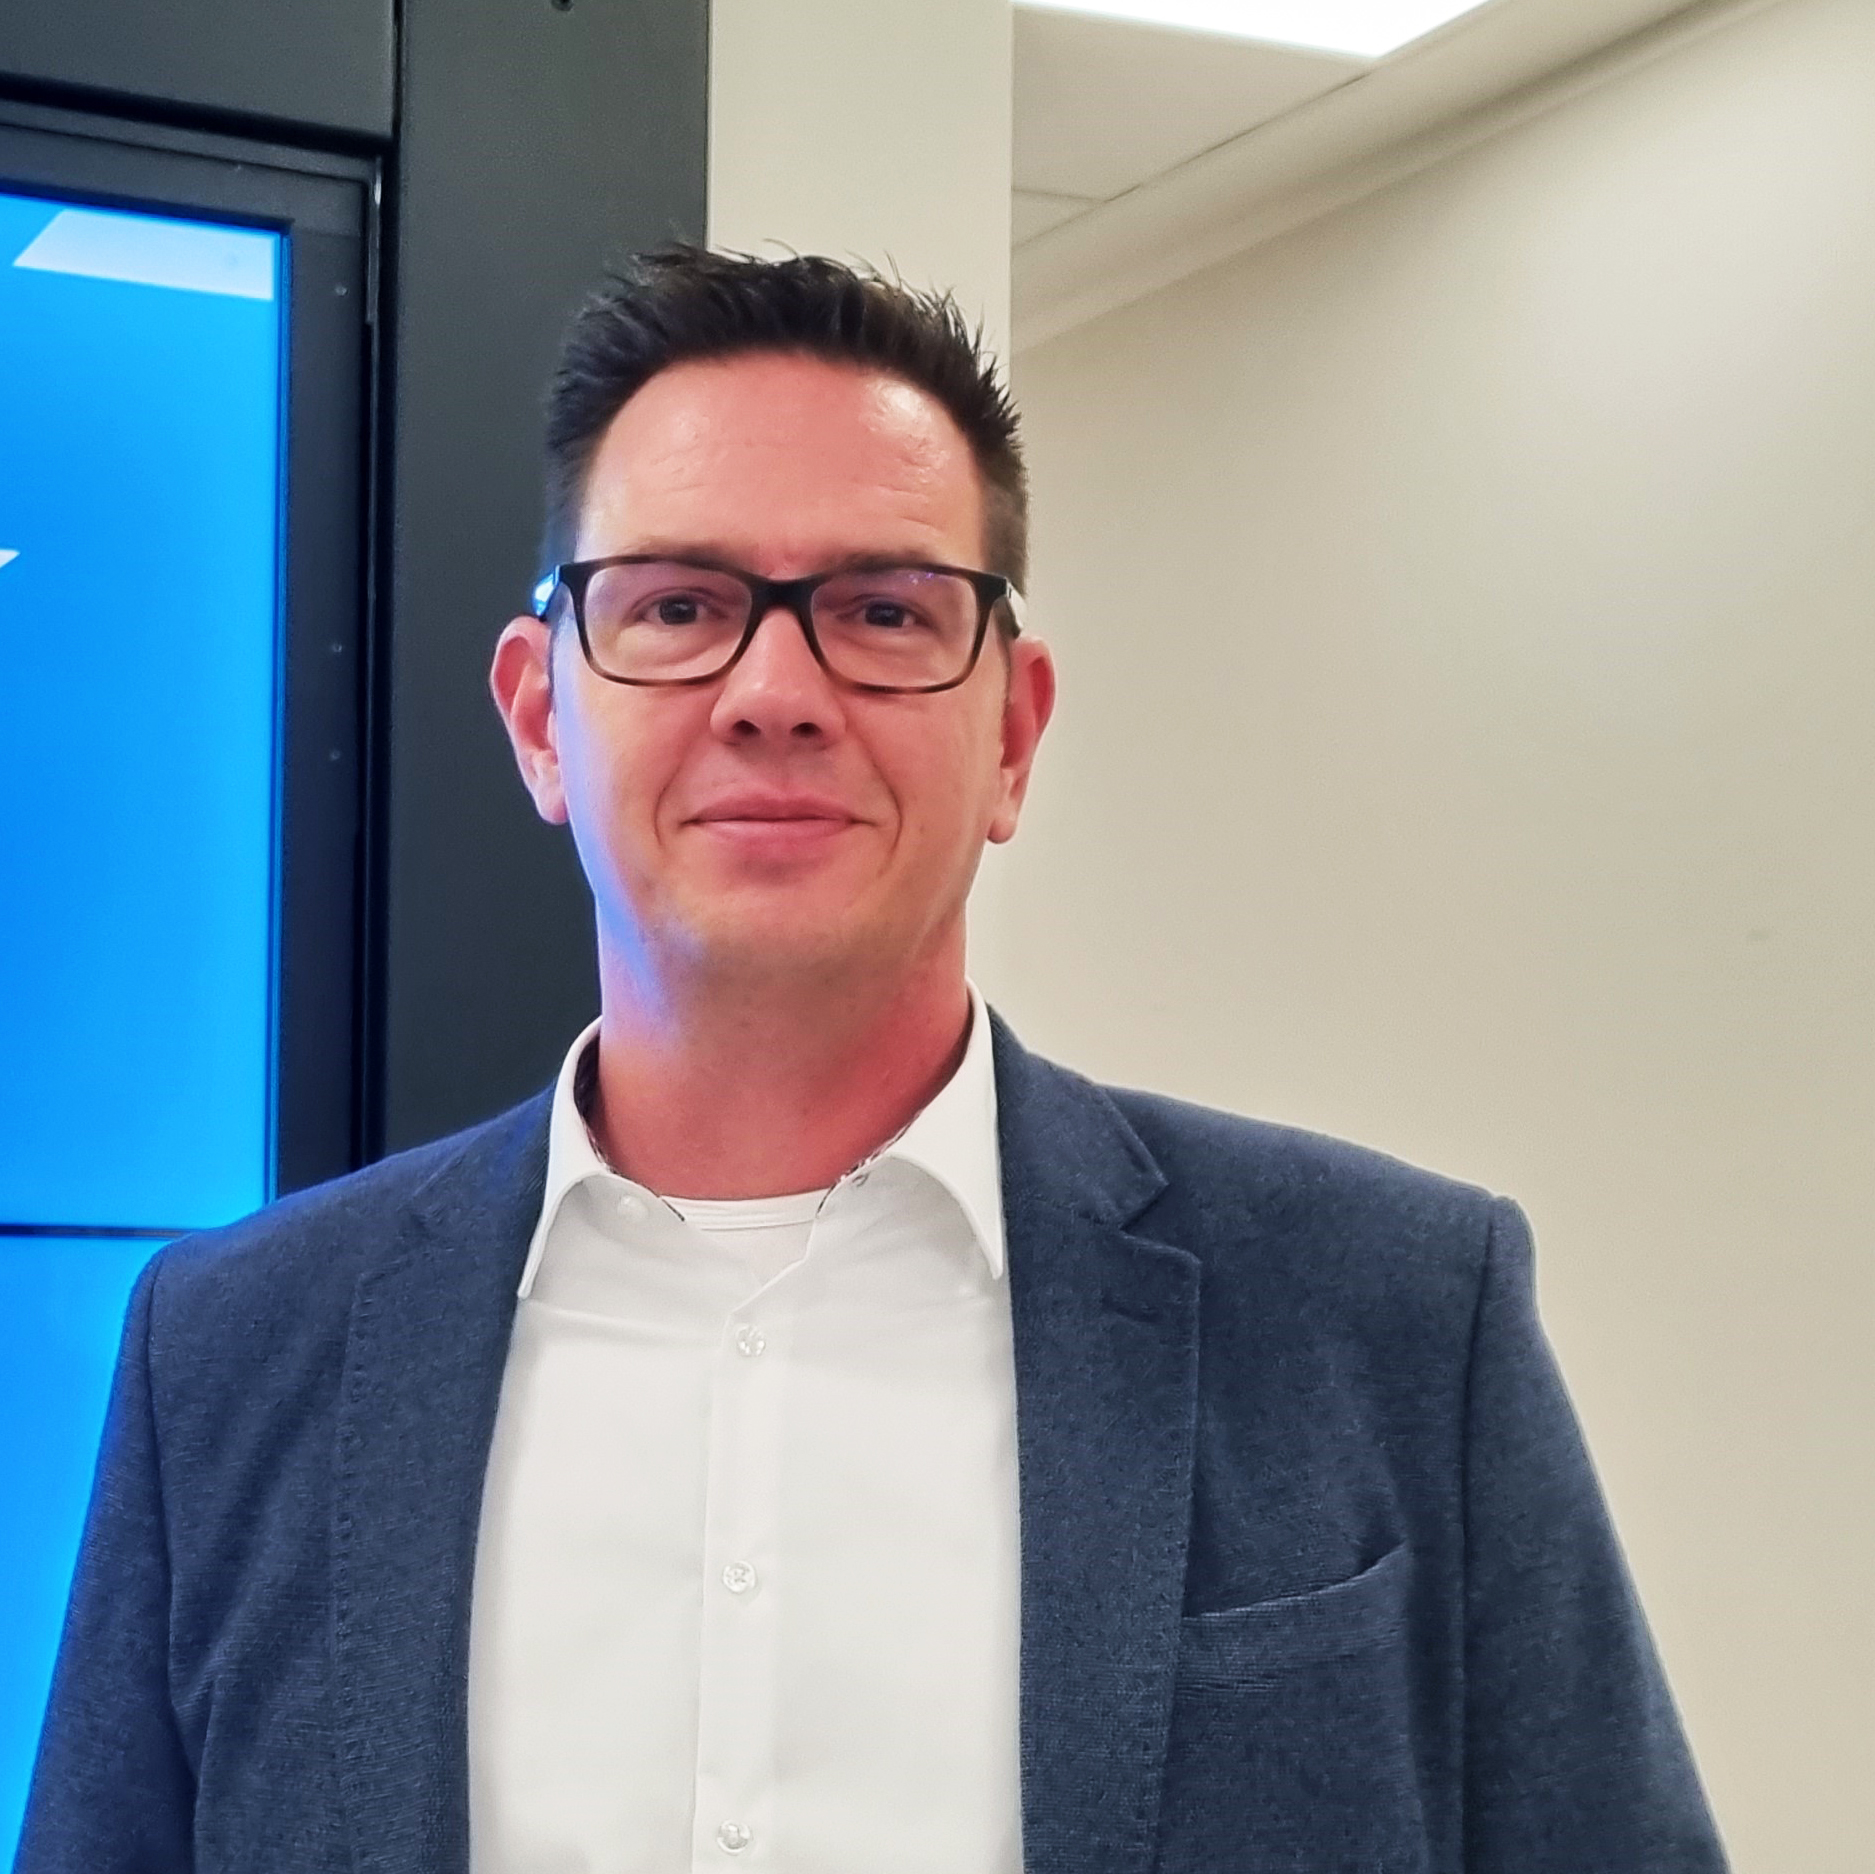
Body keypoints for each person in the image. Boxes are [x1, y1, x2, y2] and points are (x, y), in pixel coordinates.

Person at [16, 247, 1728, 1874]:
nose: (775, 689)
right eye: (678, 603)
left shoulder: (1394, 1314)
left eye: (887, 611)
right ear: (541, 718)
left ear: (1014, 733)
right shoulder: (232, 1358)